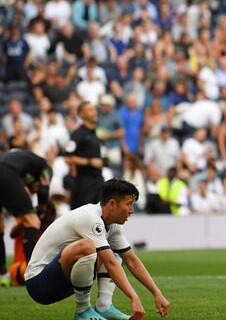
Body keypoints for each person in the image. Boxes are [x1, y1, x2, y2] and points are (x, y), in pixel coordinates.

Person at [25, 179, 170, 320]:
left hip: (62, 281)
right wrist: (134, 298)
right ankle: (83, 311)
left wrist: (157, 293)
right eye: (129, 204)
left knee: (112, 249)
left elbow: (131, 260)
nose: (132, 210)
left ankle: (104, 306)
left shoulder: (113, 225)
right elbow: (111, 264)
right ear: (113, 203)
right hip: (39, 284)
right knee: (88, 246)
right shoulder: (89, 217)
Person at [0, 149, 51, 285]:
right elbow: (44, 189)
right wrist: (41, 208)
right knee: (32, 221)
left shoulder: (23, 164)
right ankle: (33, 275)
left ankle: (3, 275)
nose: (33, 192)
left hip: (4, 171)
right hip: (6, 173)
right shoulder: (45, 166)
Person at [66, 102, 105, 210]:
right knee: (85, 215)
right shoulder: (78, 134)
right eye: (89, 110)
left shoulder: (94, 132)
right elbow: (68, 158)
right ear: (81, 115)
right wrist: (90, 162)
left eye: (94, 109)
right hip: (84, 182)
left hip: (98, 181)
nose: (94, 112)